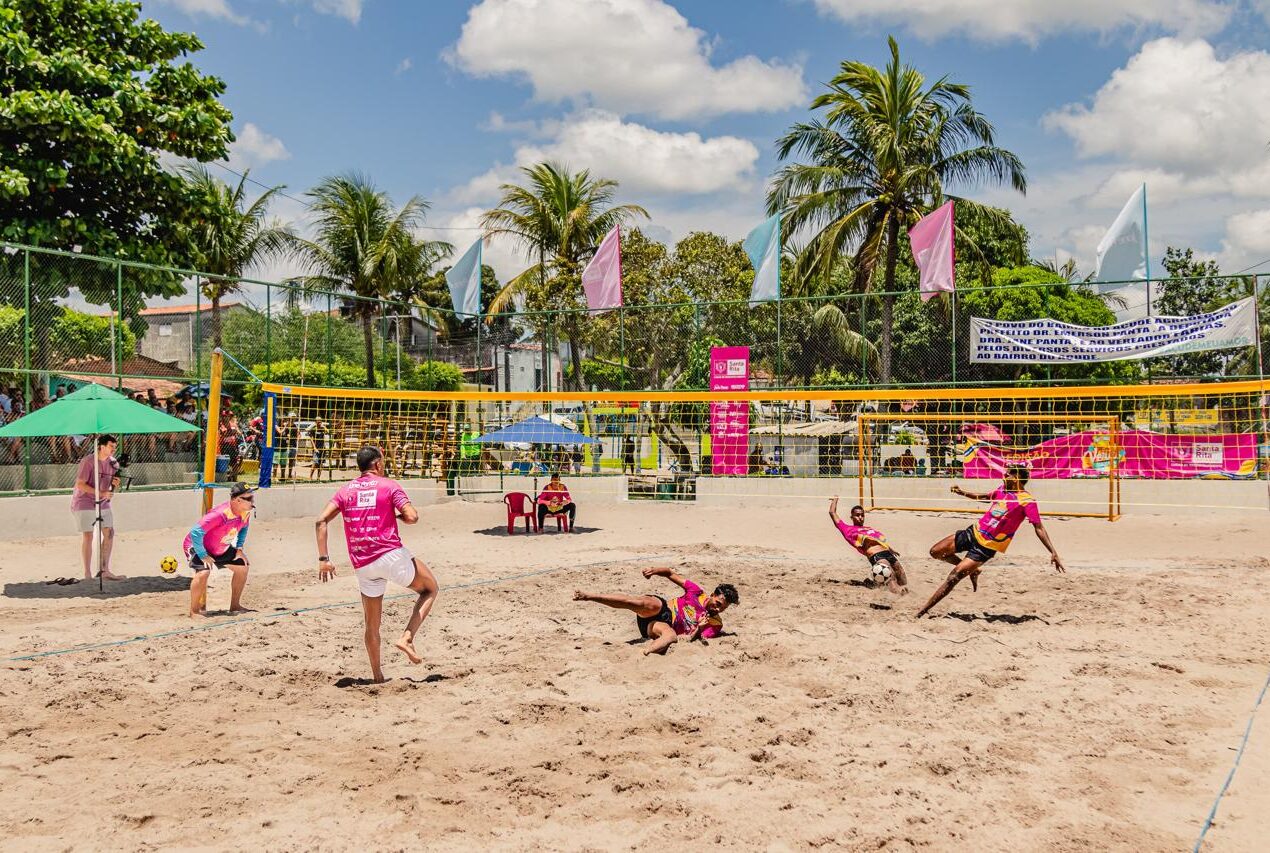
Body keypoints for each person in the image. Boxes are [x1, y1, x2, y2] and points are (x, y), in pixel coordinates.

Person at [315, 446, 440, 683]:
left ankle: (378, 677)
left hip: (362, 563)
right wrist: (396, 515)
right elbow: (412, 517)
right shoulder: (389, 485)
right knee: (430, 589)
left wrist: (324, 559)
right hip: (390, 555)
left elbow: (321, 520)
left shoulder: (345, 490)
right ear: (378, 464)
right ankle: (407, 638)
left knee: (372, 626)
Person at [916, 465, 1066, 618]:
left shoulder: (1027, 501)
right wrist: (962, 492)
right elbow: (982, 497)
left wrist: (1053, 552)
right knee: (935, 552)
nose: (1003, 476)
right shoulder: (1002, 490)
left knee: (954, 577)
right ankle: (974, 570)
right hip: (974, 532)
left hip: (987, 546)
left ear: (1016, 478)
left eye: (1007, 475)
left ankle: (922, 611)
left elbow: (1039, 527)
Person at [574, 567, 739, 656]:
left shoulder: (715, 624)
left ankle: (643, 653)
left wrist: (700, 628)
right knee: (643, 603)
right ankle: (589, 596)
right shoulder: (696, 592)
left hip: (658, 626)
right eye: (717, 603)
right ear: (712, 595)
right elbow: (670, 573)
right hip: (663, 608)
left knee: (671, 636)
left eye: (722, 608)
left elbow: (692, 639)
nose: (717, 609)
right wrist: (654, 571)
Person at [184, 482, 256, 617]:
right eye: (249, 498)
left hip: (220, 547)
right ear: (238, 500)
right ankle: (194, 611)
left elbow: (244, 528)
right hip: (197, 545)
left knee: (243, 566)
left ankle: (235, 606)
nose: (252, 502)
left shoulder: (245, 513)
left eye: (253, 498)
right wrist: (203, 554)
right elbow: (195, 532)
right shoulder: (220, 514)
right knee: (203, 572)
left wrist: (239, 548)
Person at [70, 434, 124, 581]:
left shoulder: (114, 463)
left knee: (109, 533)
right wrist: (101, 492)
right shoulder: (88, 461)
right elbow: (80, 484)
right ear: (101, 446)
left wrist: (114, 487)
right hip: (84, 501)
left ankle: (105, 570)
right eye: (111, 446)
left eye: (115, 446)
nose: (114, 449)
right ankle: (87, 573)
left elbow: (112, 486)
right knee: (88, 536)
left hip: (103, 501)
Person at [828, 497, 908, 594]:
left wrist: (891, 549)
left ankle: (902, 589)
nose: (860, 517)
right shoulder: (847, 529)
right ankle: (898, 593)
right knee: (889, 575)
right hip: (876, 555)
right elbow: (832, 513)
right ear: (851, 517)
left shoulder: (868, 528)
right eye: (857, 515)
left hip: (887, 552)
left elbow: (878, 540)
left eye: (862, 515)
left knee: (901, 575)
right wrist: (835, 499)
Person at [308, 416, 329, 481]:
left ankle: (318, 478)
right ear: (315, 422)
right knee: (315, 463)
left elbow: (328, 432)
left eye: (320, 421)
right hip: (316, 448)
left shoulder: (323, 428)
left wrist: (324, 426)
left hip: (322, 448)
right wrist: (314, 448)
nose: (319, 422)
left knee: (321, 464)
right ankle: (310, 477)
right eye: (318, 421)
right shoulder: (314, 429)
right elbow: (311, 439)